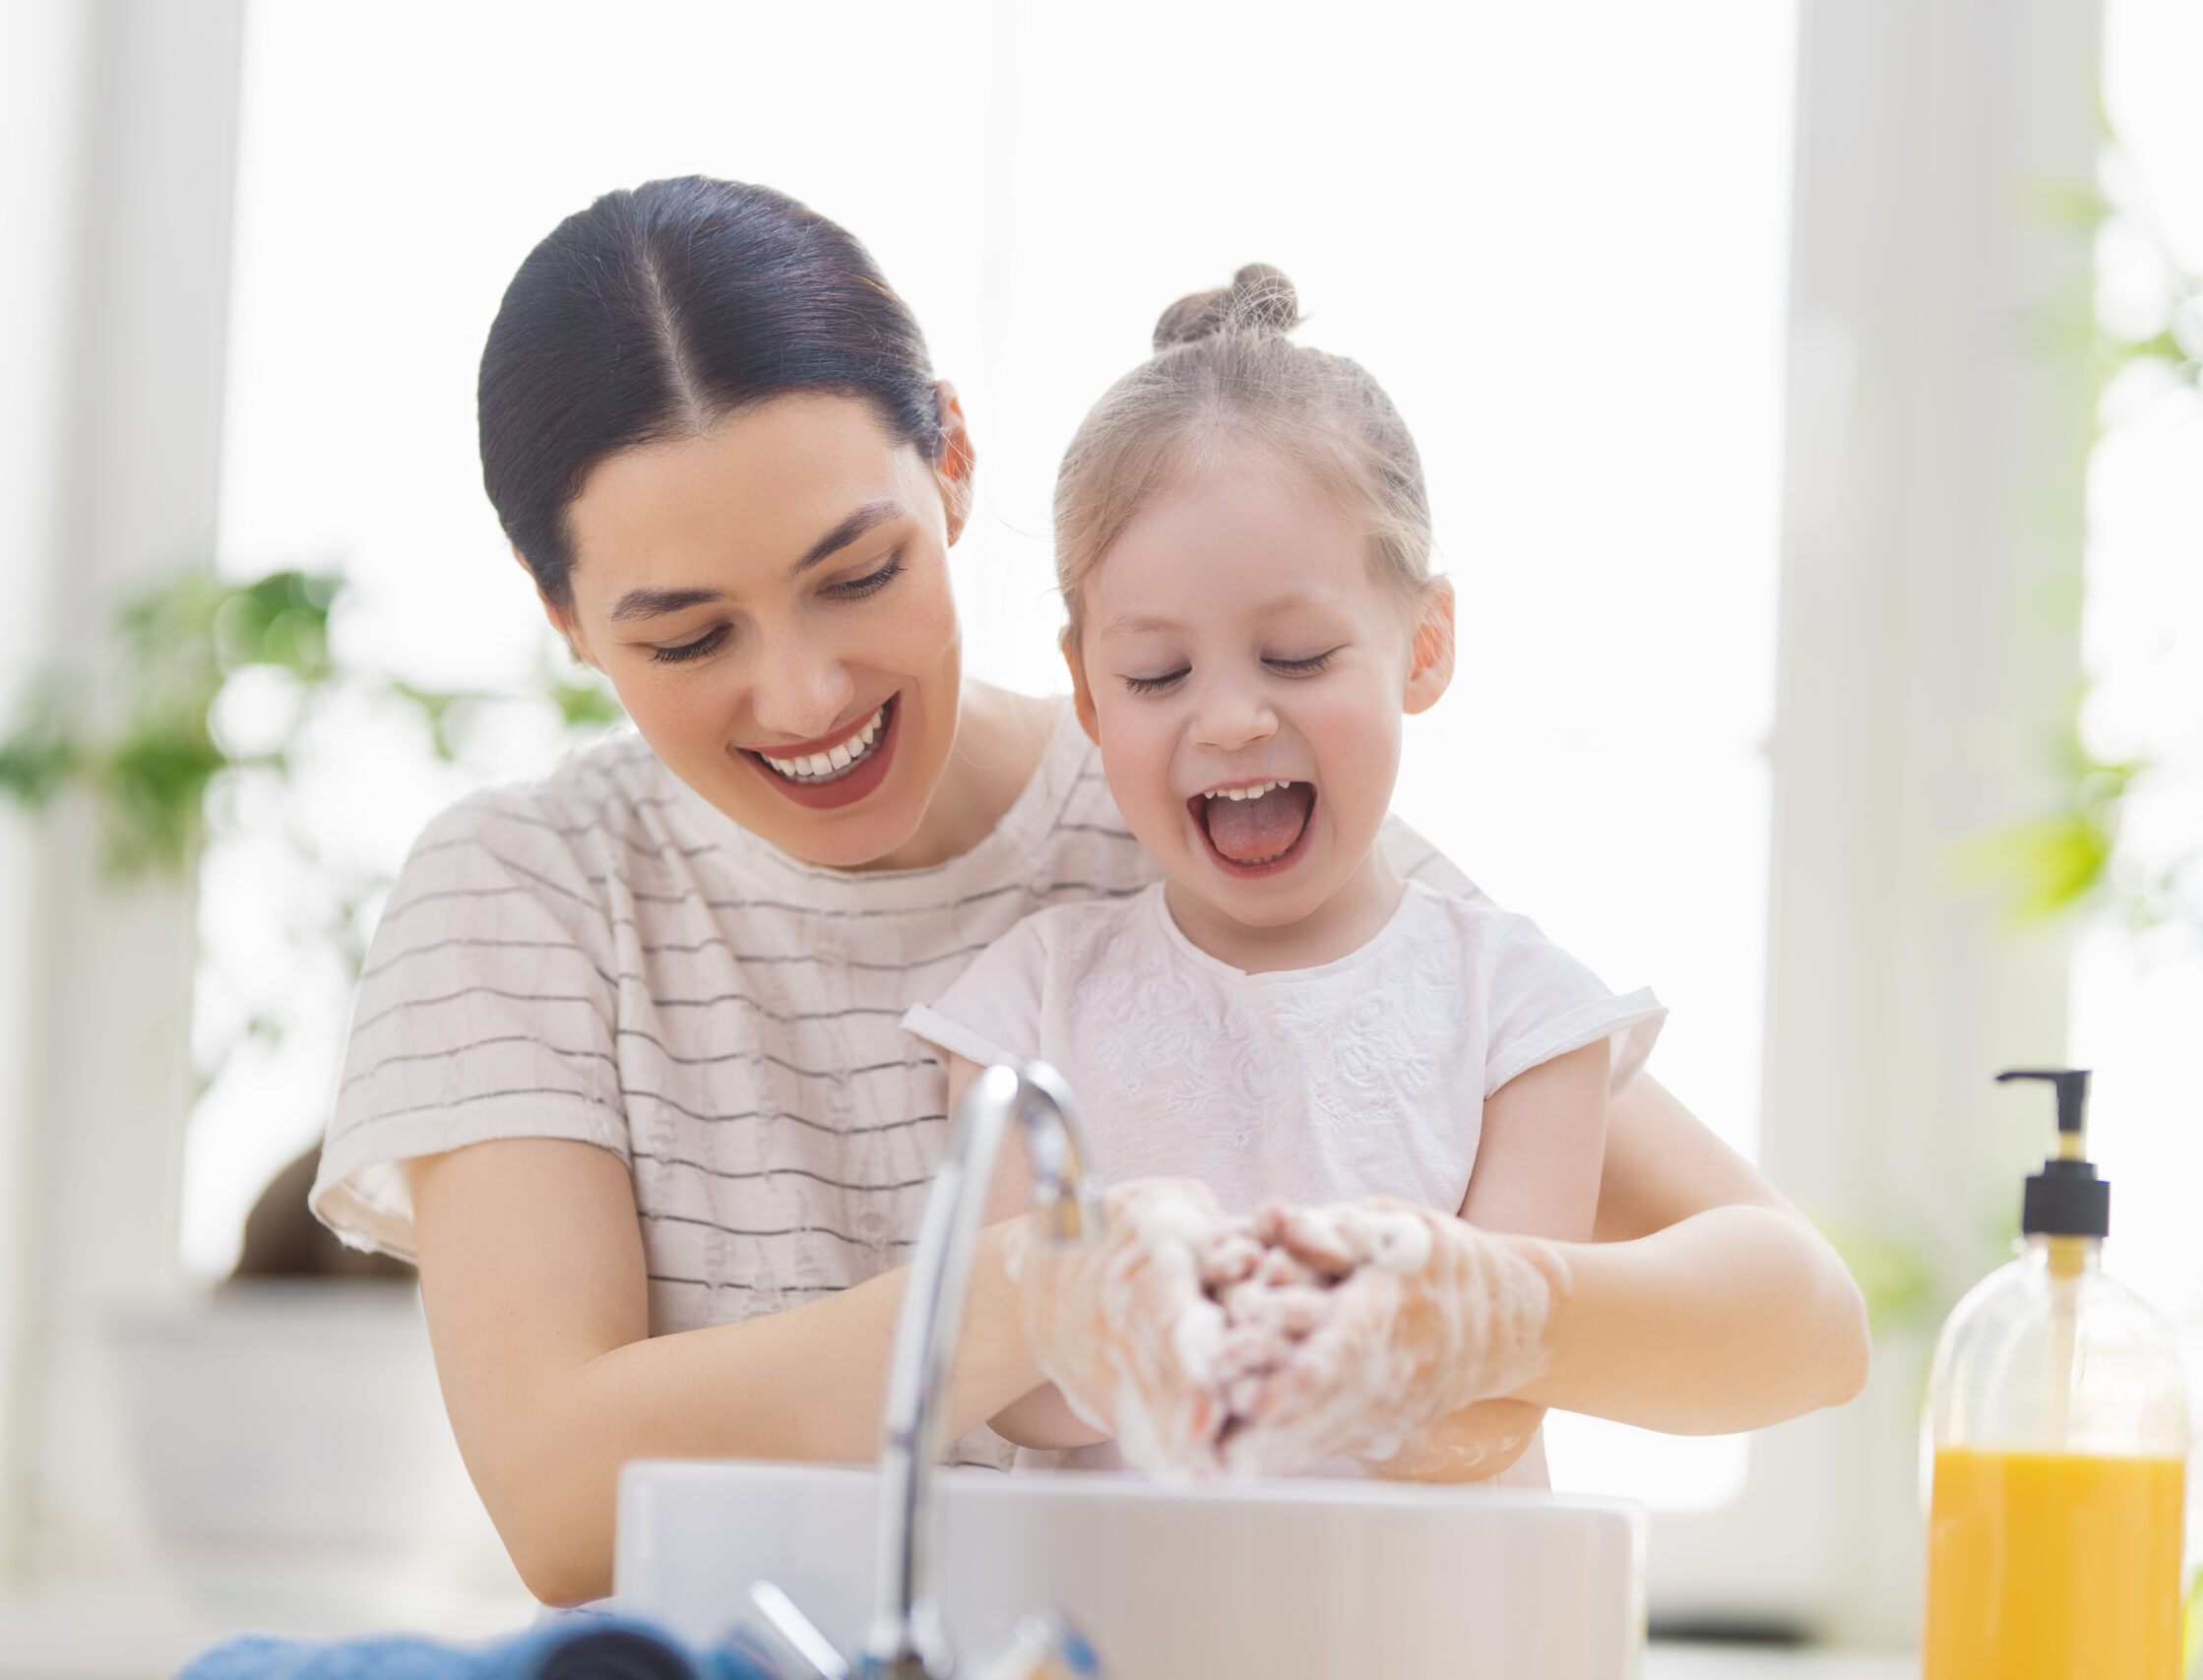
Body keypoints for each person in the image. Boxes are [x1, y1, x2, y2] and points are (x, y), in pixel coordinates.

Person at [311, 176, 1870, 1606]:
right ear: (565, 616)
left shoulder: (1199, 812)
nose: (803, 694)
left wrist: (1498, 1311)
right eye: (687, 635)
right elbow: (561, 1499)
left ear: (955, 466)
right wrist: (1031, 1303)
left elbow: (1798, 1316)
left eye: (858, 575)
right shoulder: (528, 893)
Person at [904, 265, 1664, 1482]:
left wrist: (1366, 1332)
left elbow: (1496, 1407)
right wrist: (1123, 1322)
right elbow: (1009, 1397)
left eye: (1298, 655)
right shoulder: (1021, 1010)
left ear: (1424, 646)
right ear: (1088, 691)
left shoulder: (1524, 1016)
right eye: (1157, 676)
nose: (1234, 721)